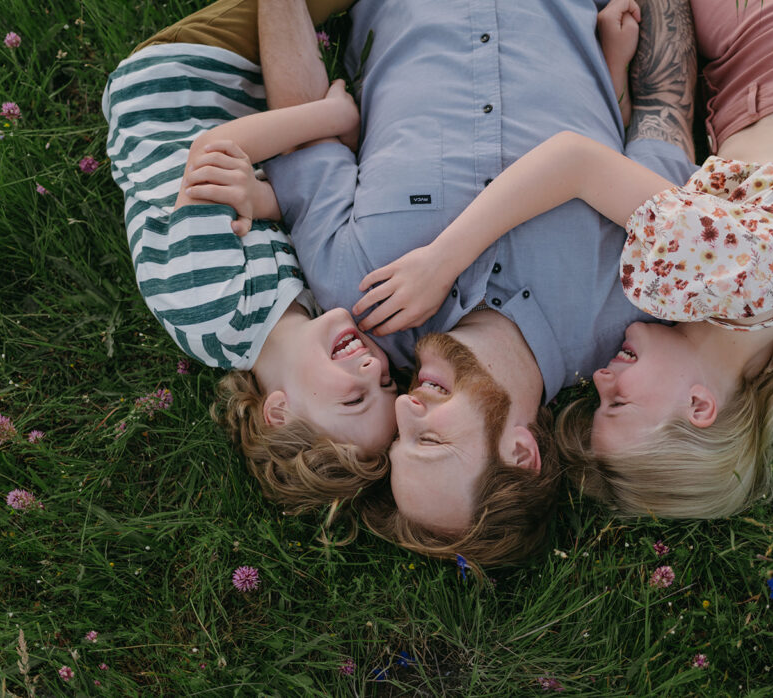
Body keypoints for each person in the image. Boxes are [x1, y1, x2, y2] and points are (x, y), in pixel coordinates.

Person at [358, 0, 773, 522]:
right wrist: (441, 262)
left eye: (599, 402)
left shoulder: (759, 352)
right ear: (700, 408)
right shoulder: (732, 281)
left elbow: (632, 179)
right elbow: (574, 160)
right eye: (619, 405)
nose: (601, 383)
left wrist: (613, 72)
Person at [260, 0, 698, 565]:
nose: (402, 412)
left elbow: (301, 138)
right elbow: (665, 108)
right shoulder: (635, 299)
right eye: (432, 440)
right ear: (520, 451)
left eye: (398, 439)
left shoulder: (359, 298)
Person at [102, 0, 398, 515]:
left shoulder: (213, 308)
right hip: (248, 110)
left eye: (355, 397)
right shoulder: (302, 305)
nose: (373, 367)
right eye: (388, 382)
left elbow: (210, 150)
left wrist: (332, 117)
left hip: (177, 87)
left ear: (278, 411)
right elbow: (292, 202)